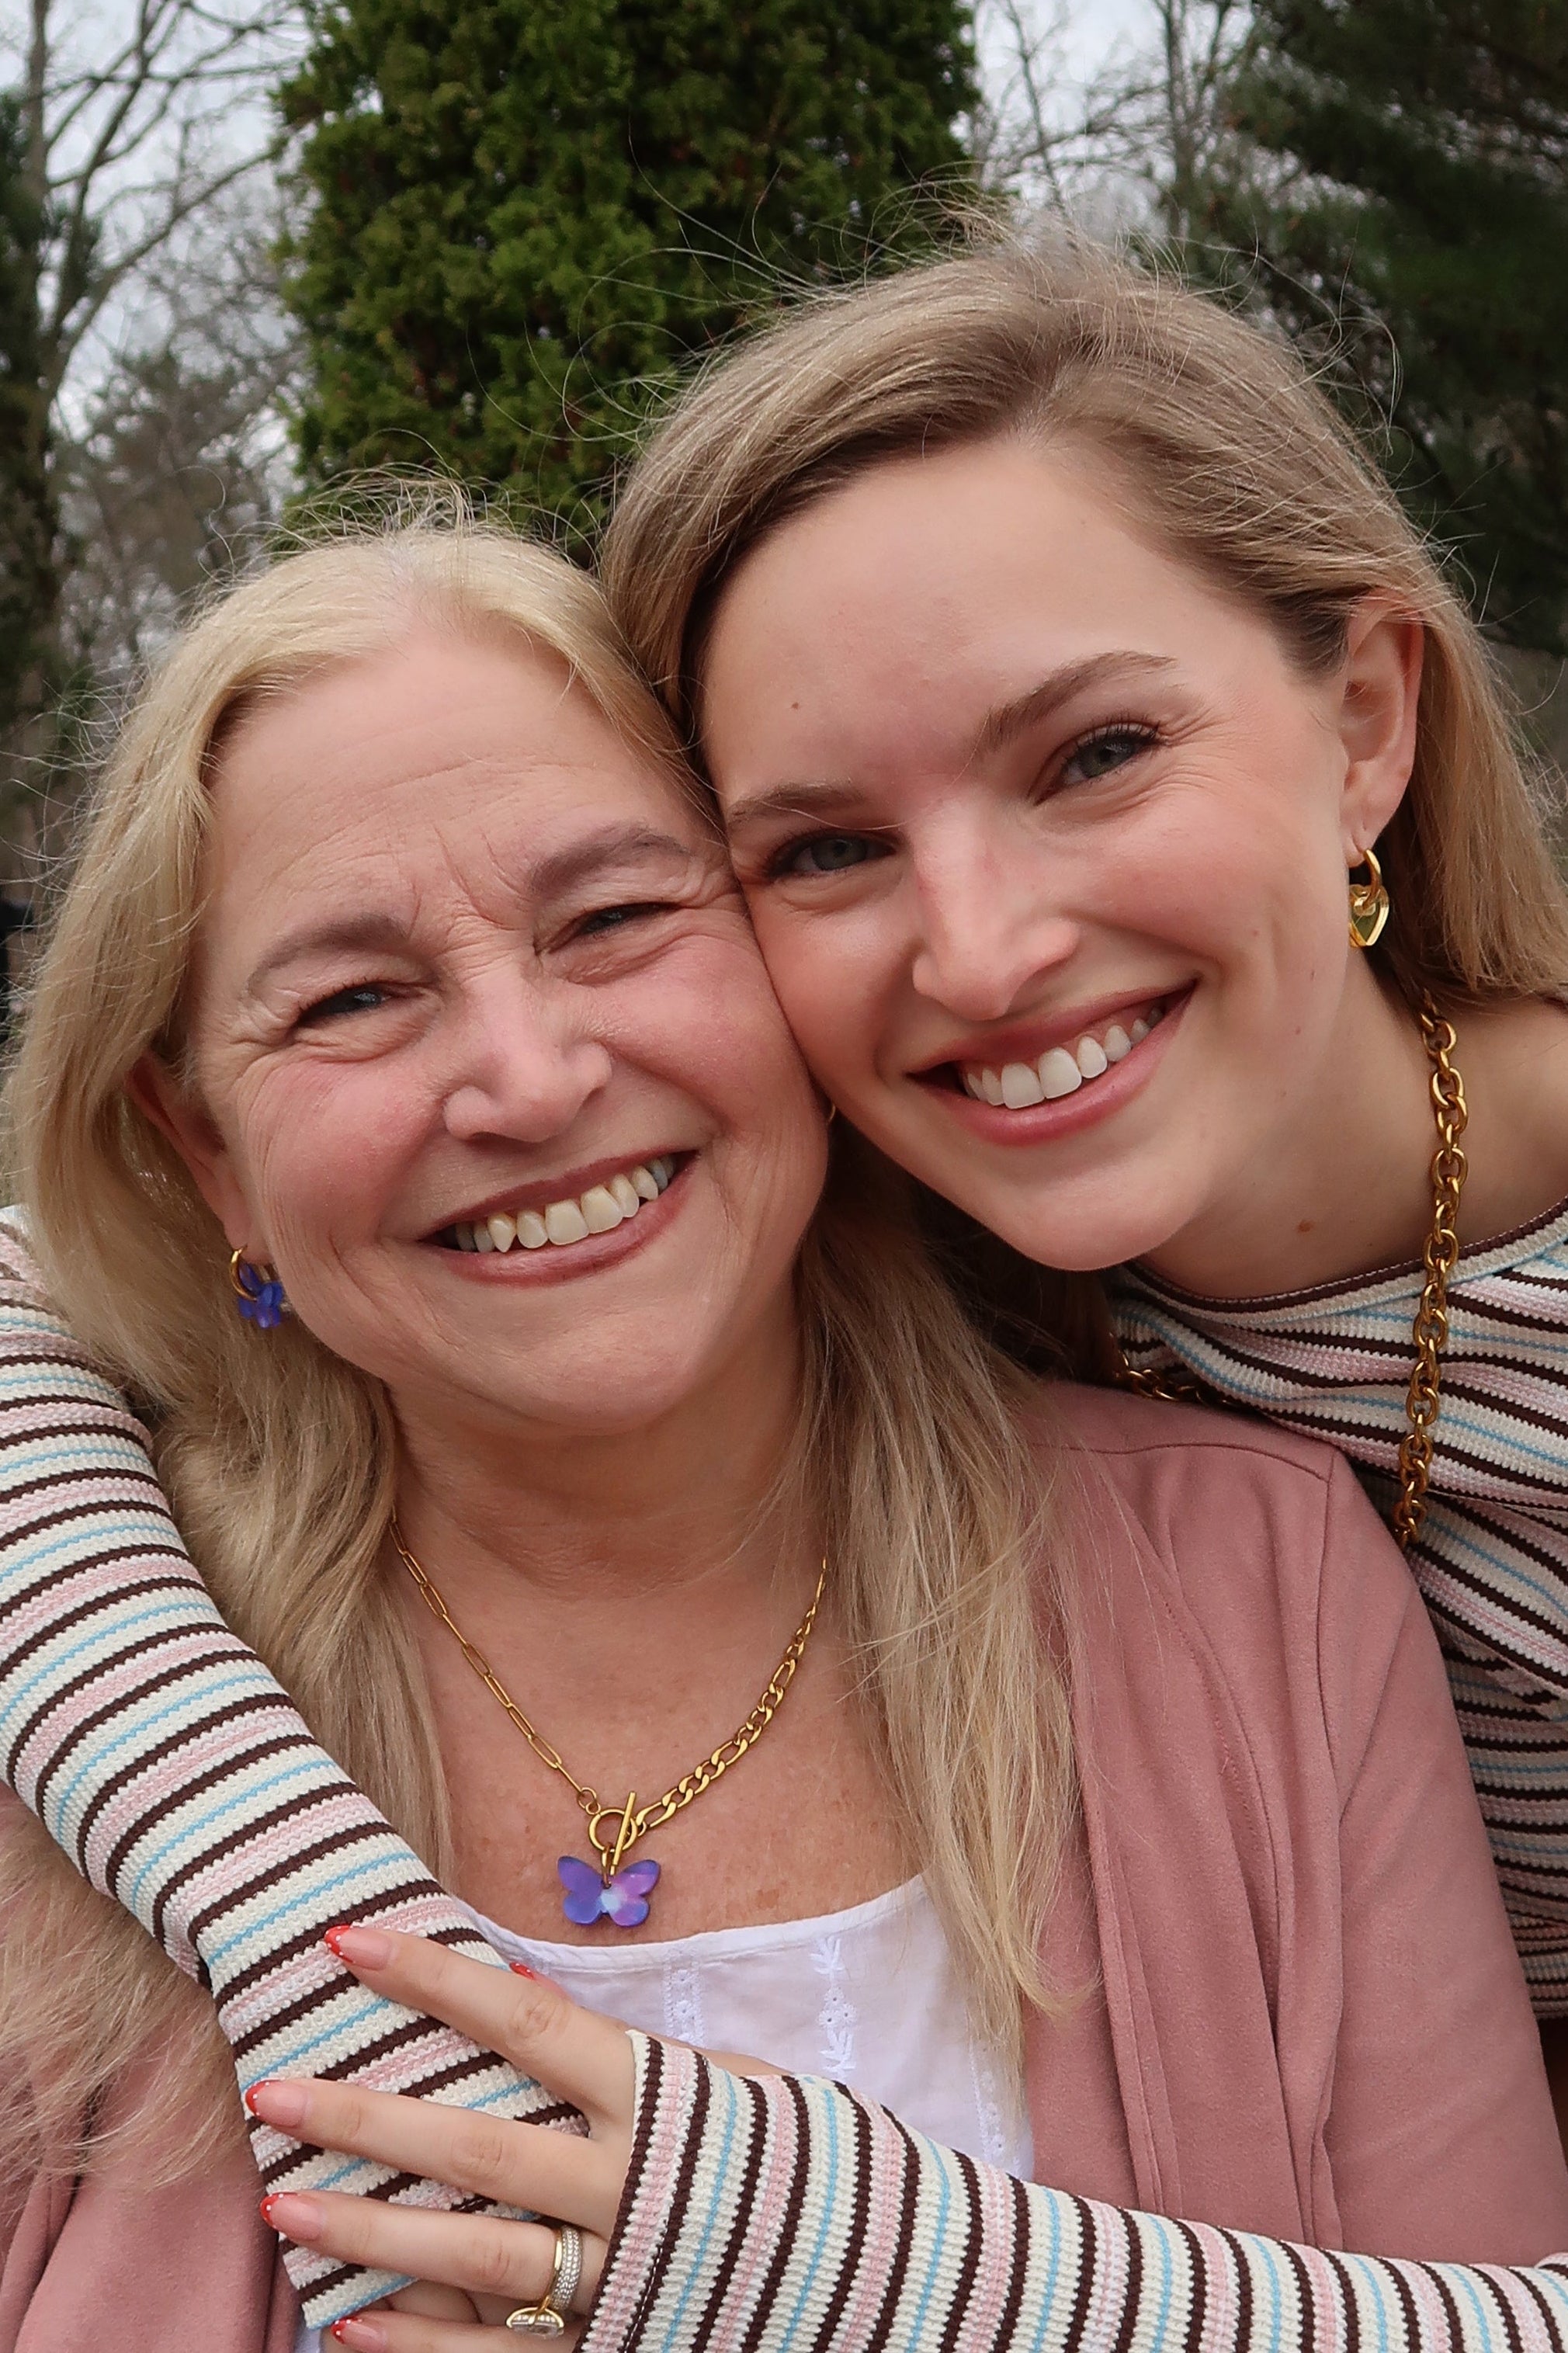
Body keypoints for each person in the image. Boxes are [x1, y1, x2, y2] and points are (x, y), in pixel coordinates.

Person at [1, 515, 1563, 2353]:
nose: (528, 1077)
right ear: (205, 1154)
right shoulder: (66, 1714)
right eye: (350, 998)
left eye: (614, 917)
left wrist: (883, 2284)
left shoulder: (1264, 1585)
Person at [599, 233, 1568, 2041]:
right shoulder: (840, 1304)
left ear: (1361, 721)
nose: (976, 953)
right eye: (821, 849)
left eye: (1091, 754)